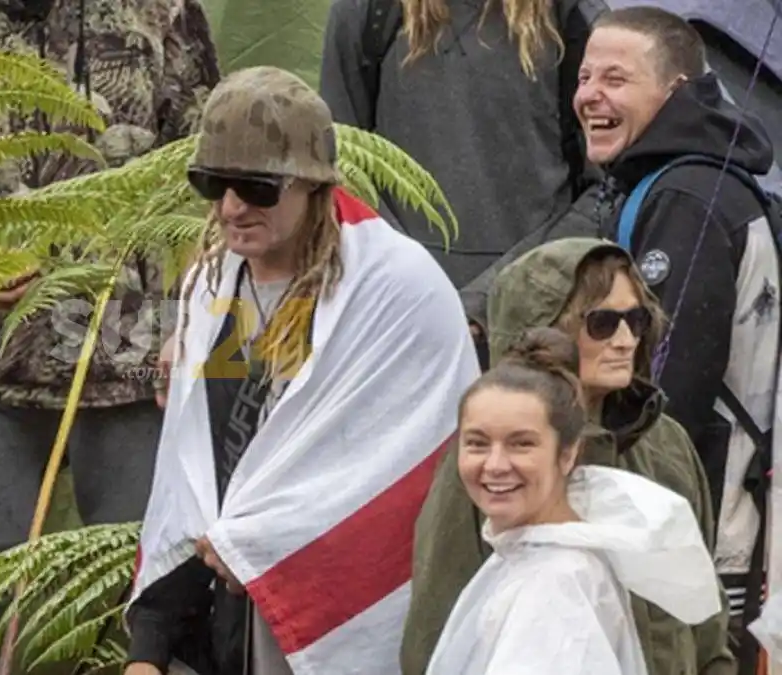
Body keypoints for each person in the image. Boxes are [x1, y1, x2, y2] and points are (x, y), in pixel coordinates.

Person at [0, 1, 222, 673]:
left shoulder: (158, 10)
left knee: (151, 579)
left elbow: (208, 166)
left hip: (136, 350)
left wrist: (195, 314)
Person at [125, 65, 480, 675]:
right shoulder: (211, 284)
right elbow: (195, 469)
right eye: (212, 183)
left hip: (343, 613)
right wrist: (150, 647)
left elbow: (406, 474)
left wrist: (264, 545)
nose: (231, 207)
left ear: (313, 185)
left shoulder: (397, 290)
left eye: (257, 187)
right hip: (224, 620)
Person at [400, 238, 735, 674]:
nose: (625, 340)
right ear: (546, 327)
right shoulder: (491, 466)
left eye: (635, 320)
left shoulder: (666, 444)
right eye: (602, 323)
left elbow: (705, 615)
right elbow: (437, 625)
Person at [575, 7, 780, 655]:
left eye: (616, 78)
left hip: (704, 533)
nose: (589, 95)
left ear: (675, 91)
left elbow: (663, 395)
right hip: (696, 525)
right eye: (584, 76)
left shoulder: (687, 200)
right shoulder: (673, 183)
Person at [319, 0, 606, 307]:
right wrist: (407, 274)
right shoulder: (371, 11)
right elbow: (339, 162)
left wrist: (505, 288)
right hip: (403, 298)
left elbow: (606, 189)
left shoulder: (572, 15)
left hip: (533, 301)